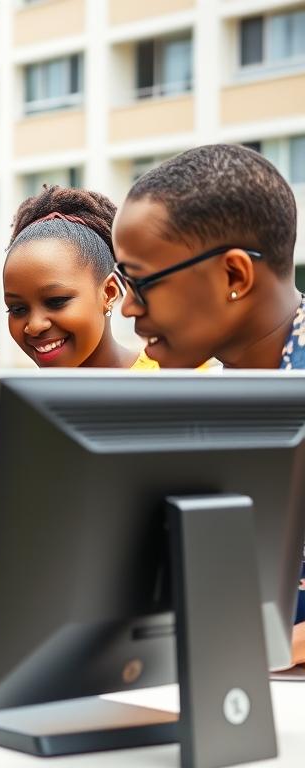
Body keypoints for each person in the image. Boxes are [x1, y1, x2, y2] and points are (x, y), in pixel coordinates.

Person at [111, 143, 304, 664]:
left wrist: (269, 644)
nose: (127, 305)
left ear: (234, 276)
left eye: (142, 281)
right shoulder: (199, 398)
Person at [3, 185, 154, 370]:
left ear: (109, 292)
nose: (34, 326)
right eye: (17, 309)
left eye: (56, 301)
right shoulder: (19, 397)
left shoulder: (171, 385)